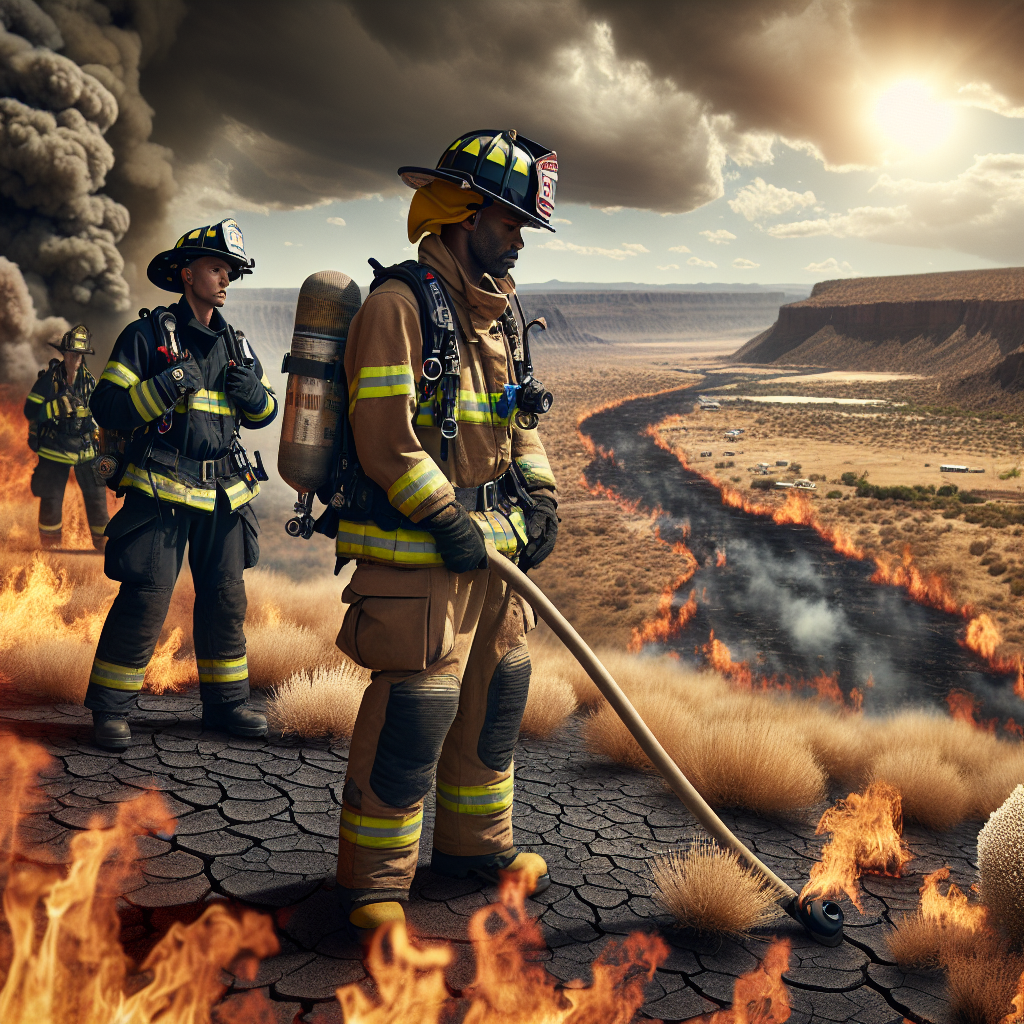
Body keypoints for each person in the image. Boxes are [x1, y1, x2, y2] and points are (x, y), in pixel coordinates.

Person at [334, 129, 561, 933]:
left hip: (492, 555)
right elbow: (385, 438)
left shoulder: (498, 313)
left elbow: (518, 418)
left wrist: (539, 498)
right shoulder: (400, 306)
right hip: (420, 558)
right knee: (417, 709)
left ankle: (476, 850)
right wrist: (444, 517)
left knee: (496, 696)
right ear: (465, 215)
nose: (519, 240)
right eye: (509, 222)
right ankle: (375, 885)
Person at [84, 219, 278, 752]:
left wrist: (251, 394)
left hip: (225, 496)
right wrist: (168, 383)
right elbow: (108, 406)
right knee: (146, 597)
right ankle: (111, 708)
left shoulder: (234, 344)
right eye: (217, 268)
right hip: (162, 492)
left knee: (225, 599)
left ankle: (227, 704)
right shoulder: (145, 336)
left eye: (231, 272)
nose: (226, 279)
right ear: (187, 274)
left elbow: (266, 412)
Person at [24, 324, 109, 549]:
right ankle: (51, 549)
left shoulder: (90, 382)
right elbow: (30, 411)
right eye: (72, 354)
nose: (76, 359)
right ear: (65, 354)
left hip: (85, 449)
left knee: (97, 499)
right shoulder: (48, 380)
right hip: (55, 449)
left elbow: (98, 415)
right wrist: (54, 408)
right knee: (51, 500)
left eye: (80, 355)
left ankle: (103, 549)